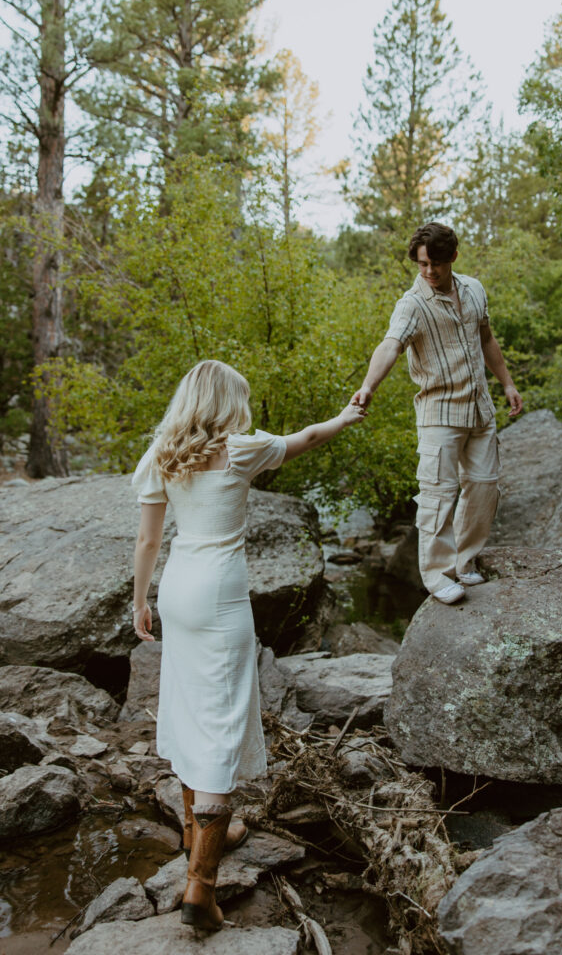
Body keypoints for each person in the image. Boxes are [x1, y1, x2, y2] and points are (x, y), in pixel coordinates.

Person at [130, 359, 365, 931]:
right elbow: (307, 439)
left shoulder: (162, 451)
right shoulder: (240, 448)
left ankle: (198, 833)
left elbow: (148, 538)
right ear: (226, 402)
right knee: (223, 714)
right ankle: (200, 892)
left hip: (178, 590)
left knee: (188, 701)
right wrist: (345, 416)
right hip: (221, 596)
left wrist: (140, 601)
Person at [352, 221, 522, 605]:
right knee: (438, 496)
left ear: (453, 258)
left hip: (479, 410)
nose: (429, 272)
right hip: (439, 414)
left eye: (436, 264)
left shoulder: (474, 289)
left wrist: (507, 383)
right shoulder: (411, 304)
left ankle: (464, 562)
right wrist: (368, 386)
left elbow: (487, 338)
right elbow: (390, 346)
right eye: (422, 264)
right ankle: (438, 576)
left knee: (483, 487)